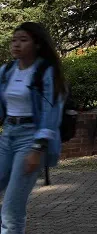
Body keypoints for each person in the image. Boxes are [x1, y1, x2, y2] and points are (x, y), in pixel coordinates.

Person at [0, 22, 66, 234]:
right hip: (8, 134)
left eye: (23, 40)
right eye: (14, 40)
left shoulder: (46, 72)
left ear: (37, 44)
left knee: (12, 207)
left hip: (30, 139)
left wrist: (37, 148)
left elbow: (51, 113)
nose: (16, 45)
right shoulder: (6, 71)